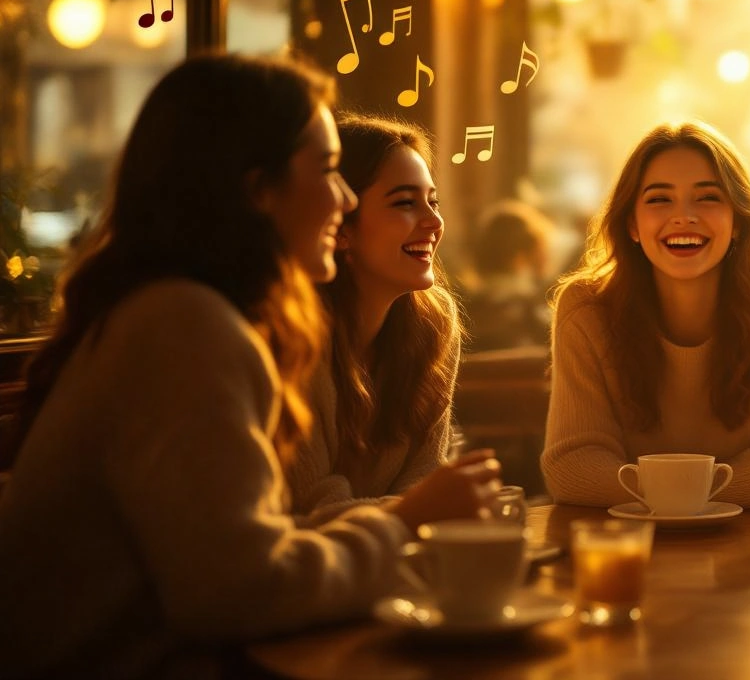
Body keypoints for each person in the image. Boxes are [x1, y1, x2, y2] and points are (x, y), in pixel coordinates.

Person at [0, 55, 500, 678]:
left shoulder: (184, 313)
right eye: (325, 171)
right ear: (256, 190)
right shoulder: (184, 326)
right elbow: (236, 591)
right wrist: (405, 522)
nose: (342, 200)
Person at [540, 120, 750, 509]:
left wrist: (663, 495)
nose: (683, 216)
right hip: (630, 540)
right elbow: (572, 467)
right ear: (632, 224)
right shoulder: (585, 307)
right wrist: (692, 498)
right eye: (659, 199)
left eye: (708, 198)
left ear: (737, 221)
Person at [285, 113, 464, 522]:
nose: (433, 222)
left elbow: (424, 482)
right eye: (405, 202)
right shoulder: (295, 333)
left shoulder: (433, 323)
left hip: (388, 564)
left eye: (433, 202)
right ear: (339, 224)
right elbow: (310, 508)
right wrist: (421, 510)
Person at [460, 198, 555, 352]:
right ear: (519, 258)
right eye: (541, 253)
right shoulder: (537, 321)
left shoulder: (461, 315)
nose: (546, 261)